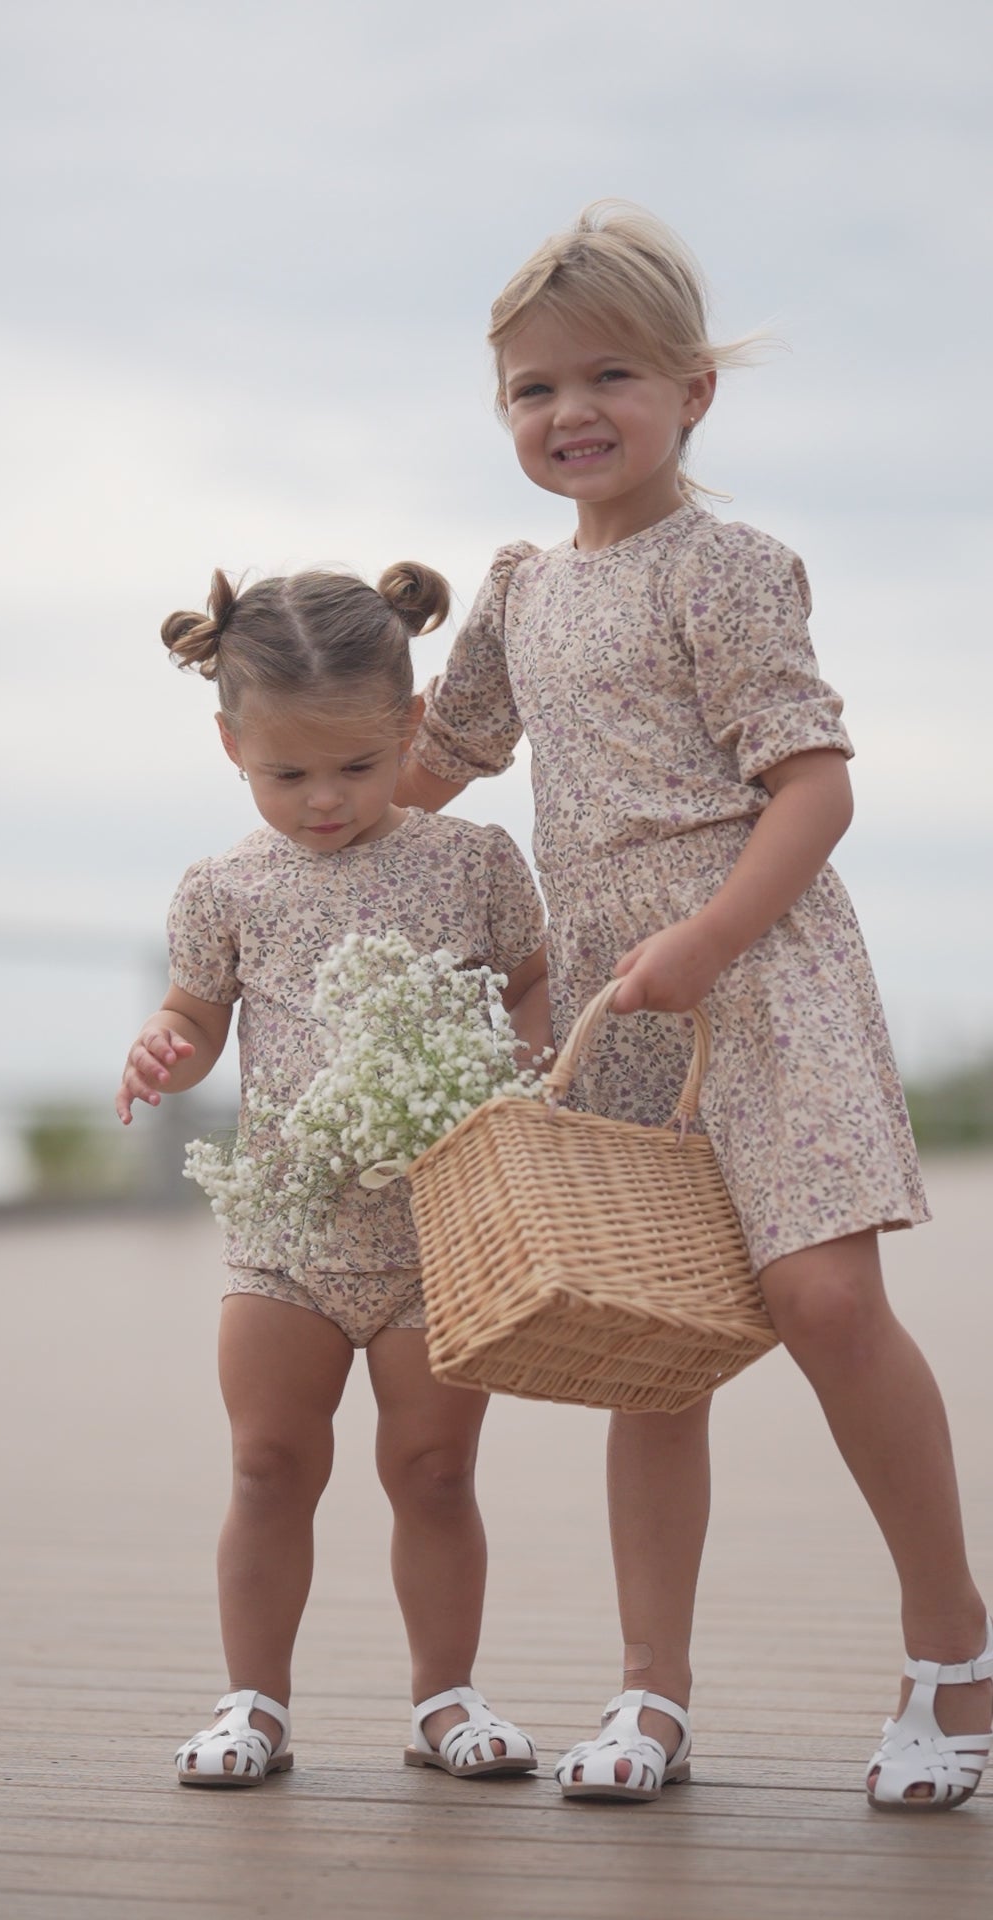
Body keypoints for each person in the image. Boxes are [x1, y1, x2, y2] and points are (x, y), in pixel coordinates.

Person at [397, 202, 991, 1809]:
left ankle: (954, 1647)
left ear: (691, 396)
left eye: (612, 376)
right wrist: (285, 715)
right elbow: (429, 773)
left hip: (758, 965)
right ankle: (650, 1693)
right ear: (501, 410)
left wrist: (716, 940)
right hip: (611, 997)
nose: (570, 412)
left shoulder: (725, 568)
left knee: (824, 1302)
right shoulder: (519, 591)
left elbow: (814, 787)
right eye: (532, 389)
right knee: (644, 1341)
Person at [116, 559, 551, 1787]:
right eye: (286, 775)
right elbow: (196, 1017)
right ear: (229, 746)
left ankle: (445, 1699)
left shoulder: (471, 861)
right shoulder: (224, 887)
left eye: (356, 770)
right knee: (267, 1464)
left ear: (410, 726)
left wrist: (511, 1059)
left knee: (434, 1470)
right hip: (287, 1237)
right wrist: (166, 1047)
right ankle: (254, 1701)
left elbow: (531, 980)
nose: (322, 802)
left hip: (438, 1237)